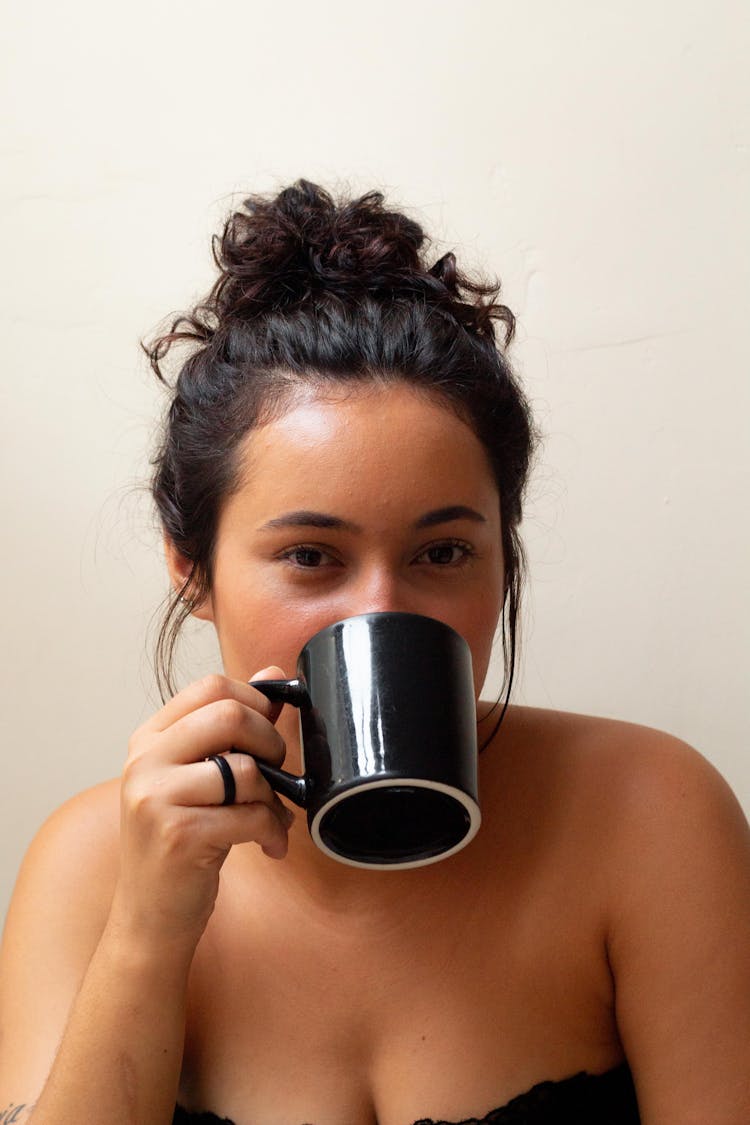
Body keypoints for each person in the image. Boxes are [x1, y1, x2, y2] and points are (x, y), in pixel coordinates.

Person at [0, 180, 748, 1125]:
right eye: (311, 557)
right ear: (193, 569)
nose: (383, 608)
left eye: (443, 553)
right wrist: (148, 933)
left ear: (502, 562)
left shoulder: (649, 815)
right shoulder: (92, 865)